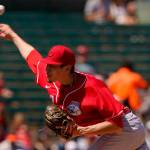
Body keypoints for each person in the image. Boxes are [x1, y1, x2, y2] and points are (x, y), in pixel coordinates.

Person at [0, 24, 149, 150]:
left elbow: (116, 124)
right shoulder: (50, 77)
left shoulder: (92, 86)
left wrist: (81, 131)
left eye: (53, 66)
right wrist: (13, 35)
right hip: (119, 134)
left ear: (66, 68)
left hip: (126, 129)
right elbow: (31, 55)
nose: (48, 69)